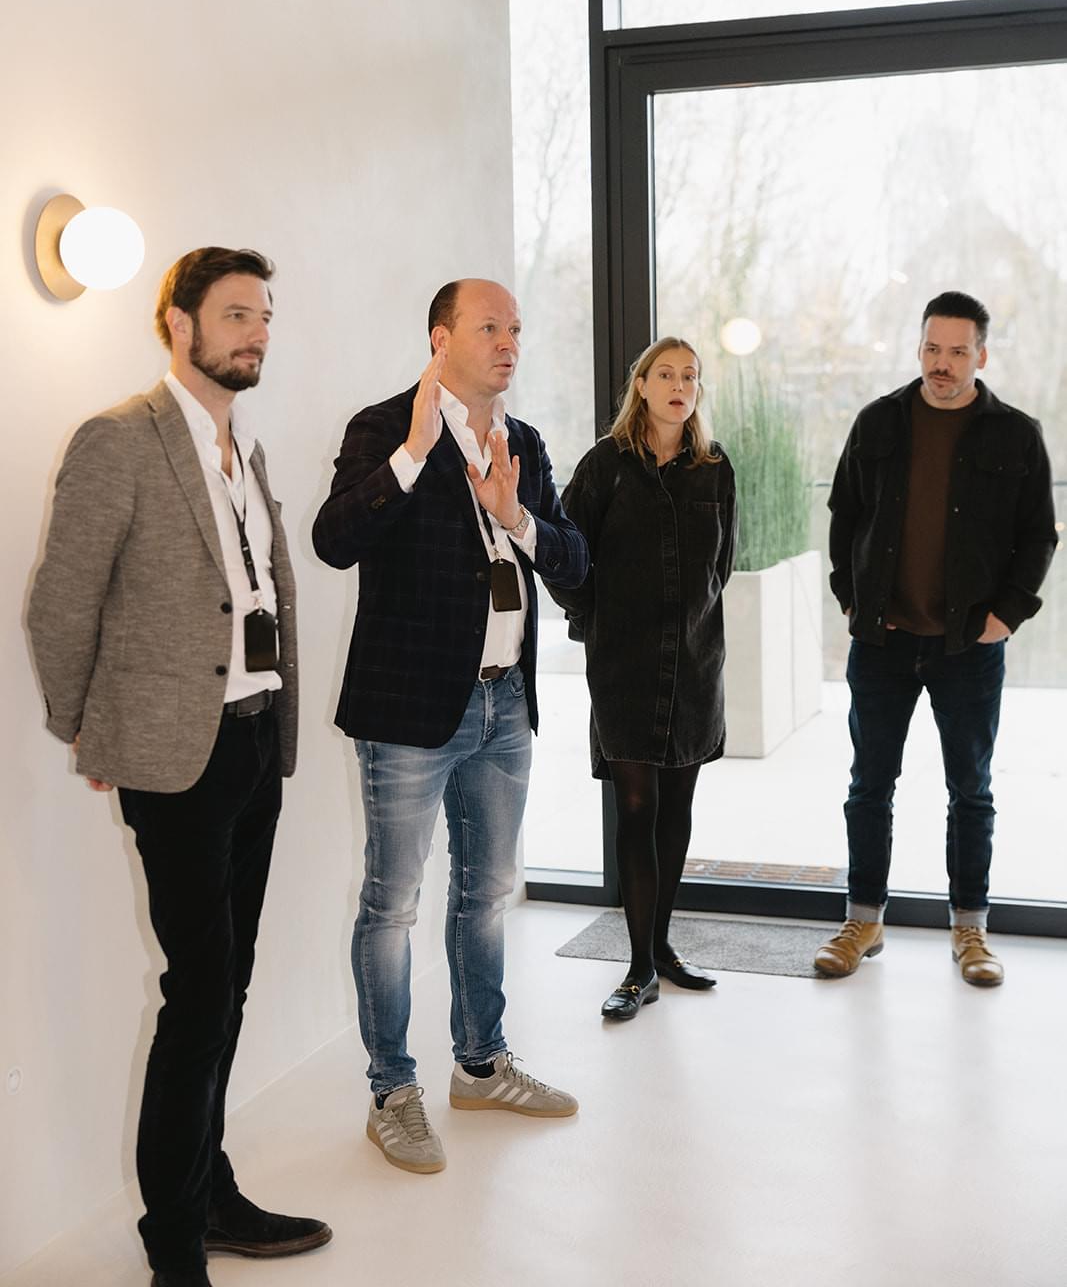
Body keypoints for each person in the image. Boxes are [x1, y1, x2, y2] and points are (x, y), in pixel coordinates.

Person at [27, 249, 330, 1287]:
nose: (256, 332)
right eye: (235, 314)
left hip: (254, 740)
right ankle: (173, 1240)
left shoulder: (244, 448)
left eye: (264, 316)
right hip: (173, 758)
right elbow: (60, 603)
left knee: (228, 986)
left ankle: (211, 1192)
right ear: (178, 323)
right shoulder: (120, 439)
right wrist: (89, 727)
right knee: (200, 994)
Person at [312, 278, 588, 1174]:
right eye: (489, 327)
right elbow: (332, 540)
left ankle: (480, 1065)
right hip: (409, 710)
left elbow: (575, 563)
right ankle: (391, 1091)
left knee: (485, 892)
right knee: (391, 902)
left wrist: (517, 517)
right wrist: (411, 455)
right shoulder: (383, 426)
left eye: (516, 329)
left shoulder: (525, 441)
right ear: (440, 338)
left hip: (504, 705)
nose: (509, 343)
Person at [817, 290, 1056, 986]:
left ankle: (970, 931)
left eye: (956, 351)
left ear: (981, 355)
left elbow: (1037, 536)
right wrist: (851, 598)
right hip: (882, 642)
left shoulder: (1015, 434)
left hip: (967, 648)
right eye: (931, 348)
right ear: (918, 347)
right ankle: (862, 921)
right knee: (868, 786)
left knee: (970, 791)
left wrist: (1004, 617)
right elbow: (844, 516)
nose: (941, 363)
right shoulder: (878, 420)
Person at [548, 337, 737, 1020]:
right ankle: (636, 968)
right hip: (624, 667)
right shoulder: (605, 465)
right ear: (642, 386)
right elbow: (564, 557)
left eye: (690, 376)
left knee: (677, 808)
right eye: (666, 374)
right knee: (636, 808)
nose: (679, 386)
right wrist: (594, 620)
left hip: (694, 665)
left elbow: (722, 566)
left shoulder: (714, 468)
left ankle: (659, 948)